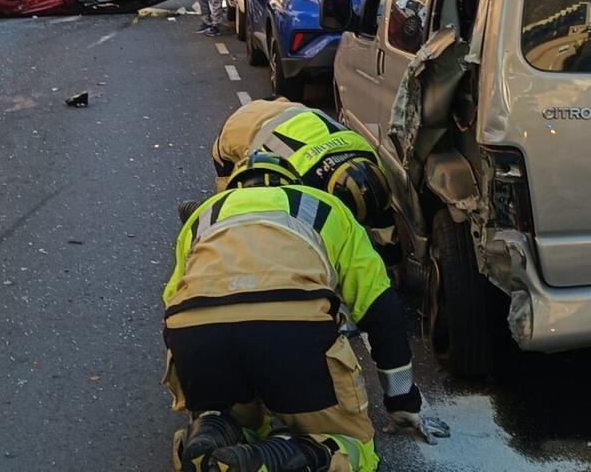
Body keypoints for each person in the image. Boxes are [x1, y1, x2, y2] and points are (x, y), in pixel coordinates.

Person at [164, 154, 448, 472]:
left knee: (241, 416)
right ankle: (298, 455)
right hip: (291, 328)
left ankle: (214, 425)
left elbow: (172, 300)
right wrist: (401, 401)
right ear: (291, 181)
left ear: (235, 185)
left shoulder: (203, 215)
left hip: (195, 330)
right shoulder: (324, 205)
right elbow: (380, 311)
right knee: (356, 450)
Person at [199, 98, 402, 278]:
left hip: (294, 110)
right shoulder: (296, 182)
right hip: (240, 126)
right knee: (235, 210)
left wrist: (393, 263)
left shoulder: (368, 156)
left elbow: (383, 218)